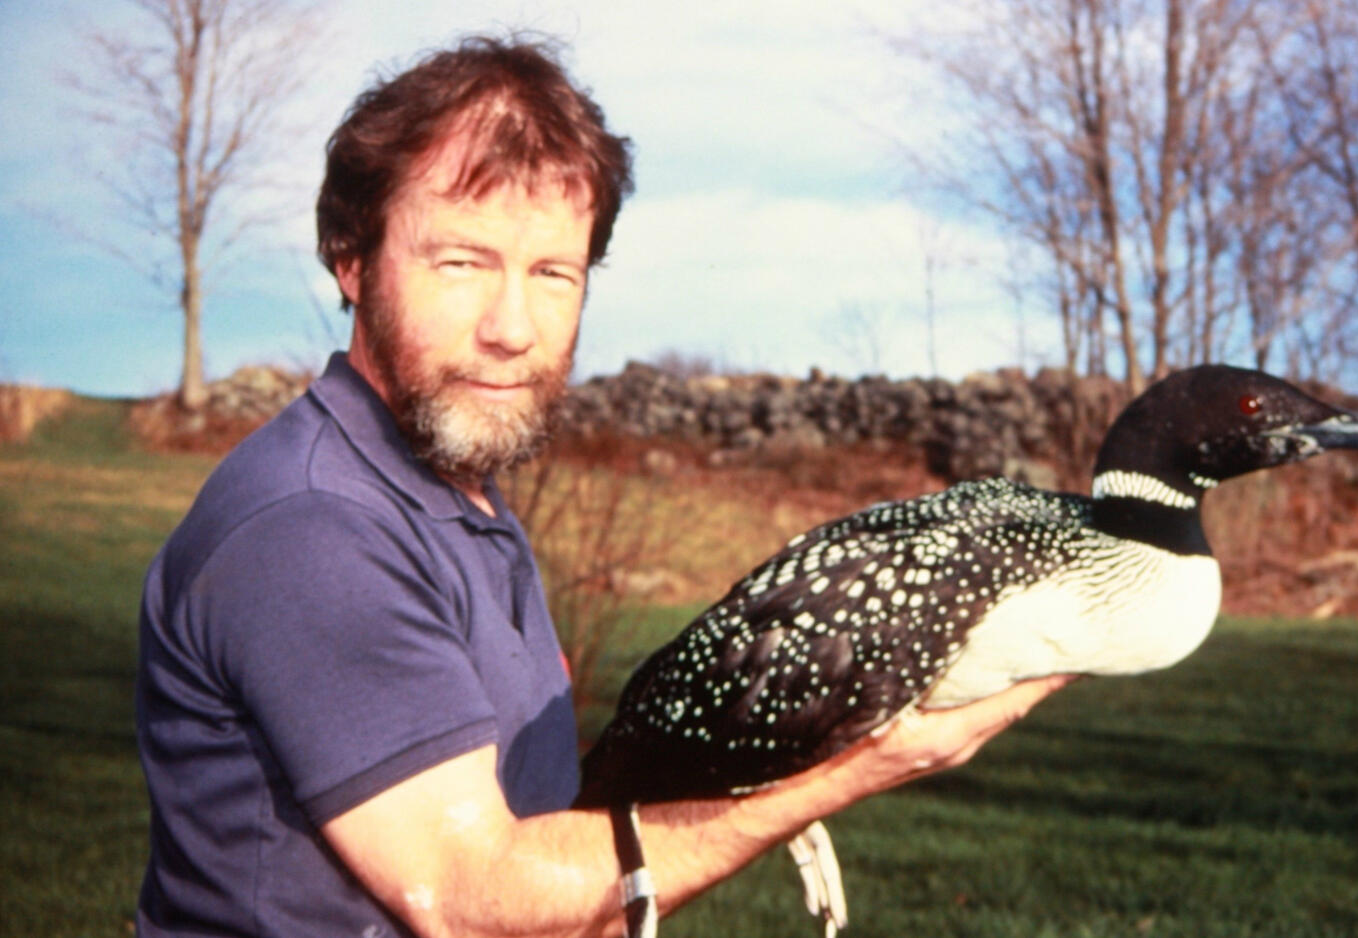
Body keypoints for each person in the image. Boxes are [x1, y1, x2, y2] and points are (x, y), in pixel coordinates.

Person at [134, 34, 1067, 938]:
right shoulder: (317, 526)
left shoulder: (457, 499)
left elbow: (546, 858)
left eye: (553, 273)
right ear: (352, 258)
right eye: (461, 262)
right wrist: (849, 767)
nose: (513, 327)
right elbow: (471, 903)